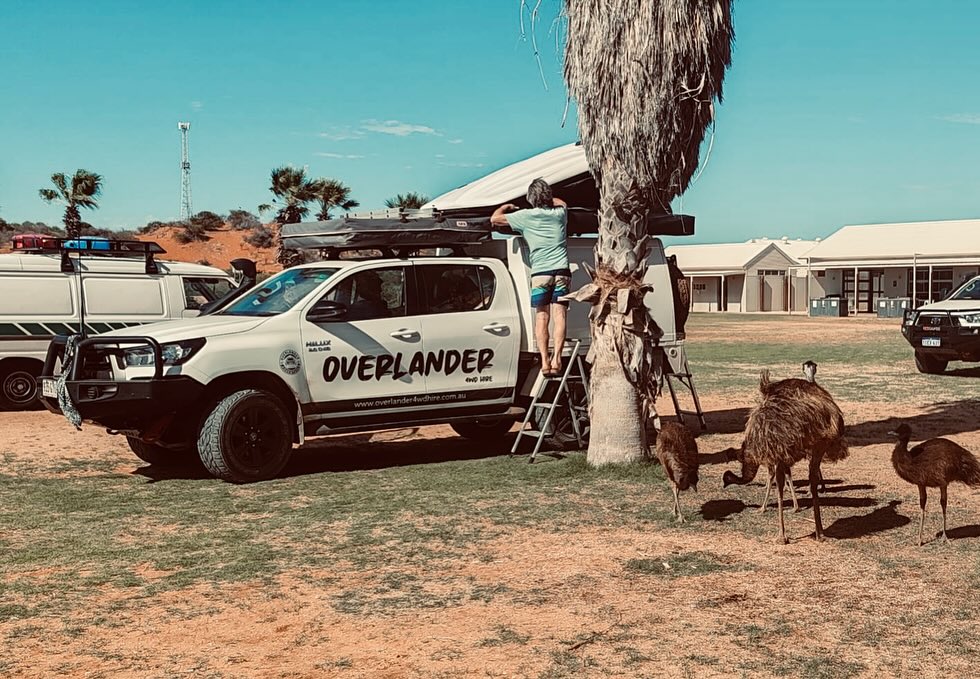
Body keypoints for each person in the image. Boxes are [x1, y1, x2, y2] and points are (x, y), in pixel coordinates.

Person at [491, 178, 569, 377]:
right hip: (562, 270)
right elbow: (562, 202)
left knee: (542, 317)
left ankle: (544, 361)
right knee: (560, 316)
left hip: (541, 273)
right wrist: (549, 200)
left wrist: (506, 207)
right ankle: (557, 359)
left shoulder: (524, 216)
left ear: (531, 198)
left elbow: (495, 219)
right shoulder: (559, 214)